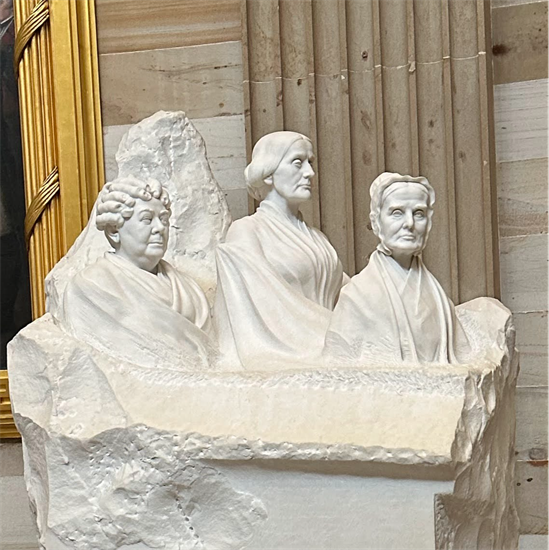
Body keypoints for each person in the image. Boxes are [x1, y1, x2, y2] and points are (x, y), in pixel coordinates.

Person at [214, 131, 345, 369]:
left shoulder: (317, 237)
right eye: (298, 162)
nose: (310, 173)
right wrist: (335, 333)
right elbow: (258, 307)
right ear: (268, 174)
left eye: (310, 162)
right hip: (288, 355)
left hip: (329, 348)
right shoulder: (246, 232)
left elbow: (347, 293)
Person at [62, 176, 216, 369]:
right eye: (147, 219)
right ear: (114, 231)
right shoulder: (91, 287)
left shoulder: (189, 289)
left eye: (164, 219)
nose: (160, 228)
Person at [325, 172, 472, 365]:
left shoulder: (440, 298)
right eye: (397, 213)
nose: (409, 223)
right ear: (376, 222)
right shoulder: (357, 296)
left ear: (428, 223)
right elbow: (339, 363)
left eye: (418, 213)